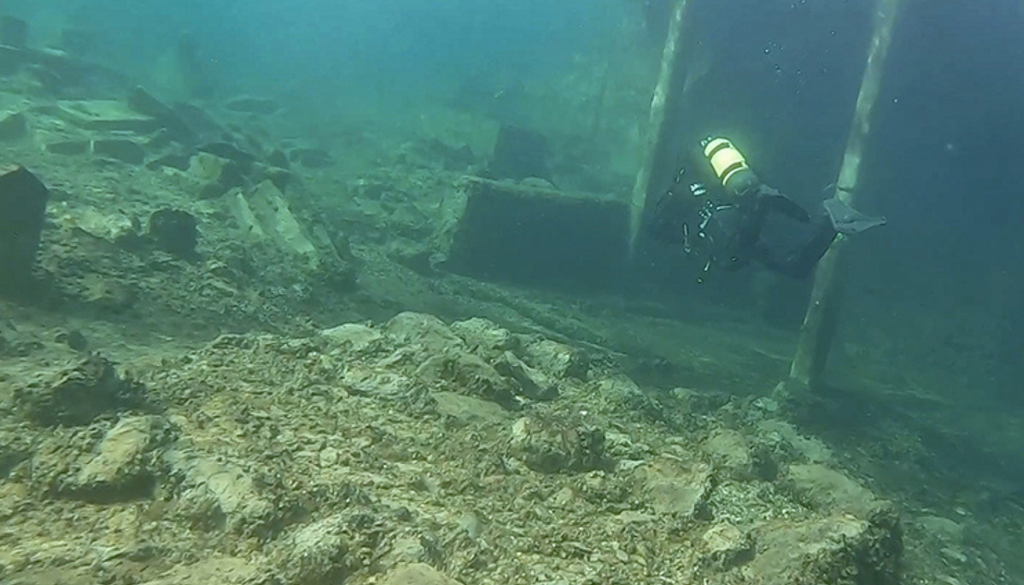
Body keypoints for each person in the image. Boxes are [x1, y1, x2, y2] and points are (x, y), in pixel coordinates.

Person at [648, 137, 886, 282]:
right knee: (795, 268)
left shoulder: (679, 193)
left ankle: (768, 207)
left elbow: (657, 227)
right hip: (742, 209)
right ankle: (830, 222)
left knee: (737, 254)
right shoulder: (703, 180)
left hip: (731, 225)